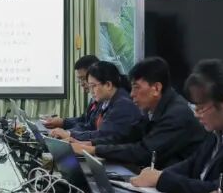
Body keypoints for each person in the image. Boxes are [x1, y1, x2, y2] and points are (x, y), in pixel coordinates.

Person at [131, 59, 223, 193]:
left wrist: (162, 179)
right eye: (195, 107)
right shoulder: (215, 134)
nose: (196, 114)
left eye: (201, 108)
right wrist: (156, 174)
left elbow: (220, 191)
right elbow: (191, 164)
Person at [73, 56, 204, 170]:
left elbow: (144, 152)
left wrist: (95, 150)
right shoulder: (151, 110)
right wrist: (91, 144)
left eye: (136, 88)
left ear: (156, 88)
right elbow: (125, 137)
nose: (131, 94)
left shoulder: (176, 114)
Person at [49, 61, 141, 145]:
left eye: (93, 86)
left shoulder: (122, 104)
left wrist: (70, 134)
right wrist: (68, 133)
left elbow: (104, 135)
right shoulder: (106, 101)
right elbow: (91, 126)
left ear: (108, 85)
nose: (91, 90)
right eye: (90, 86)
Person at [42, 54, 101, 131]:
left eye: (83, 79)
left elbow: (90, 128)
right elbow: (83, 120)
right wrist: (63, 122)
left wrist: (67, 132)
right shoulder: (94, 99)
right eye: (79, 80)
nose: (81, 84)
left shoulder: (107, 101)